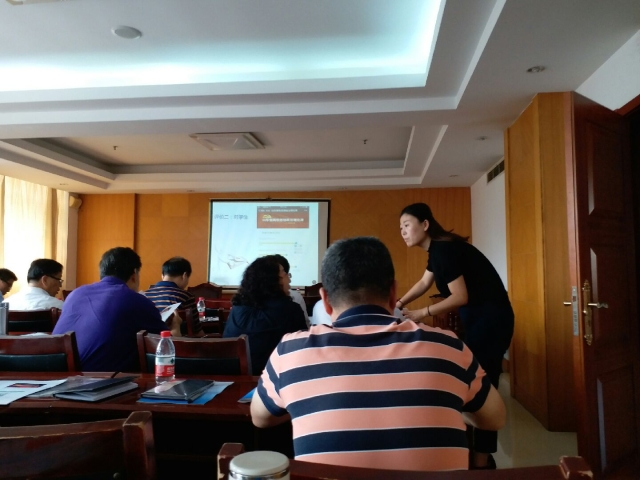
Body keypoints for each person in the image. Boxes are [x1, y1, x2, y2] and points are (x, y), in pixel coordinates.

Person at [251, 237, 506, 471]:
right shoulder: (448, 347)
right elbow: (495, 419)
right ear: (394, 293)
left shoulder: (290, 352)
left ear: (325, 300)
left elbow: (260, 418)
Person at [397, 202, 514, 469]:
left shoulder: (445, 250)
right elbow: (424, 282)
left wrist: (422, 312)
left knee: (484, 384)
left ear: (425, 224)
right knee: (475, 381)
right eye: (400, 227)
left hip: (491, 321)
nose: (402, 231)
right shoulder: (438, 250)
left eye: (406, 225)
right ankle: (476, 452)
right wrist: (399, 303)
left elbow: (460, 296)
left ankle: (481, 462)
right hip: (481, 319)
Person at [53, 247, 181, 371]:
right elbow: (167, 348)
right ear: (134, 275)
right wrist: (176, 327)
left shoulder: (75, 294)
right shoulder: (135, 300)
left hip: (57, 376)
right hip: (103, 380)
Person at [223, 255, 307, 375]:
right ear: (273, 281)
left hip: (233, 379)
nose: (289, 279)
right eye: (285, 274)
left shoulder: (237, 309)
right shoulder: (290, 310)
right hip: (275, 380)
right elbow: (303, 350)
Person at [142, 256, 204, 337]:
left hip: (146, 343)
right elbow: (197, 332)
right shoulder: (186, 296)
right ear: (184, 275)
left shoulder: (144, 296)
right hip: (173, 343)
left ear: (162, 275)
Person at [271, 254, 310, 327]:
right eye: (286, 275)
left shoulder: (252, 308)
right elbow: (305, 326)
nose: (289, 280)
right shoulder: (294, 305)